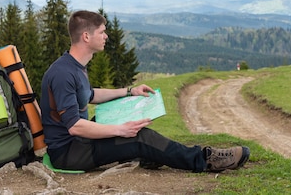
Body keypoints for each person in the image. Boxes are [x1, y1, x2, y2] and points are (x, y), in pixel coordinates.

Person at [40, 10, 250, 173]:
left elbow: (90, 95)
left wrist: (130, 92)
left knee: (132, 118)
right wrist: (120, 130)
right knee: (139, 137)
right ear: (86, 36)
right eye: (102, 32)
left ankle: (148, 155)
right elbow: (75, 127)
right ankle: (204, 159)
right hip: (69, 153)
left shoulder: (75, 66)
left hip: (80, 142)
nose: (107, 36)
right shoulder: (63, 73)